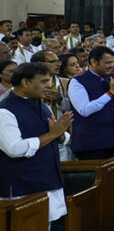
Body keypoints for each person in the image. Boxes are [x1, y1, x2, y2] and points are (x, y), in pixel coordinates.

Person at [0, 62, 74, 225]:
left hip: (47, 181)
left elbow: (57, 136)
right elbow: (14, 148)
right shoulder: (5, 111)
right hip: (22, 187)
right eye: (43, 81)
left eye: (50, 80)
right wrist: (53, 134)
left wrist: (61, 135)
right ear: (25, 82)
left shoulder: (42, 106)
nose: (49, 85)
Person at [68, 45, 114, 159]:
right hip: (92, 145)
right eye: (107, 62)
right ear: (93, 62)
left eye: (112, 62)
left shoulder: (113, 77)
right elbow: (85, 110)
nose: (111, 66)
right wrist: (110, 93)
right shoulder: (77, 82)